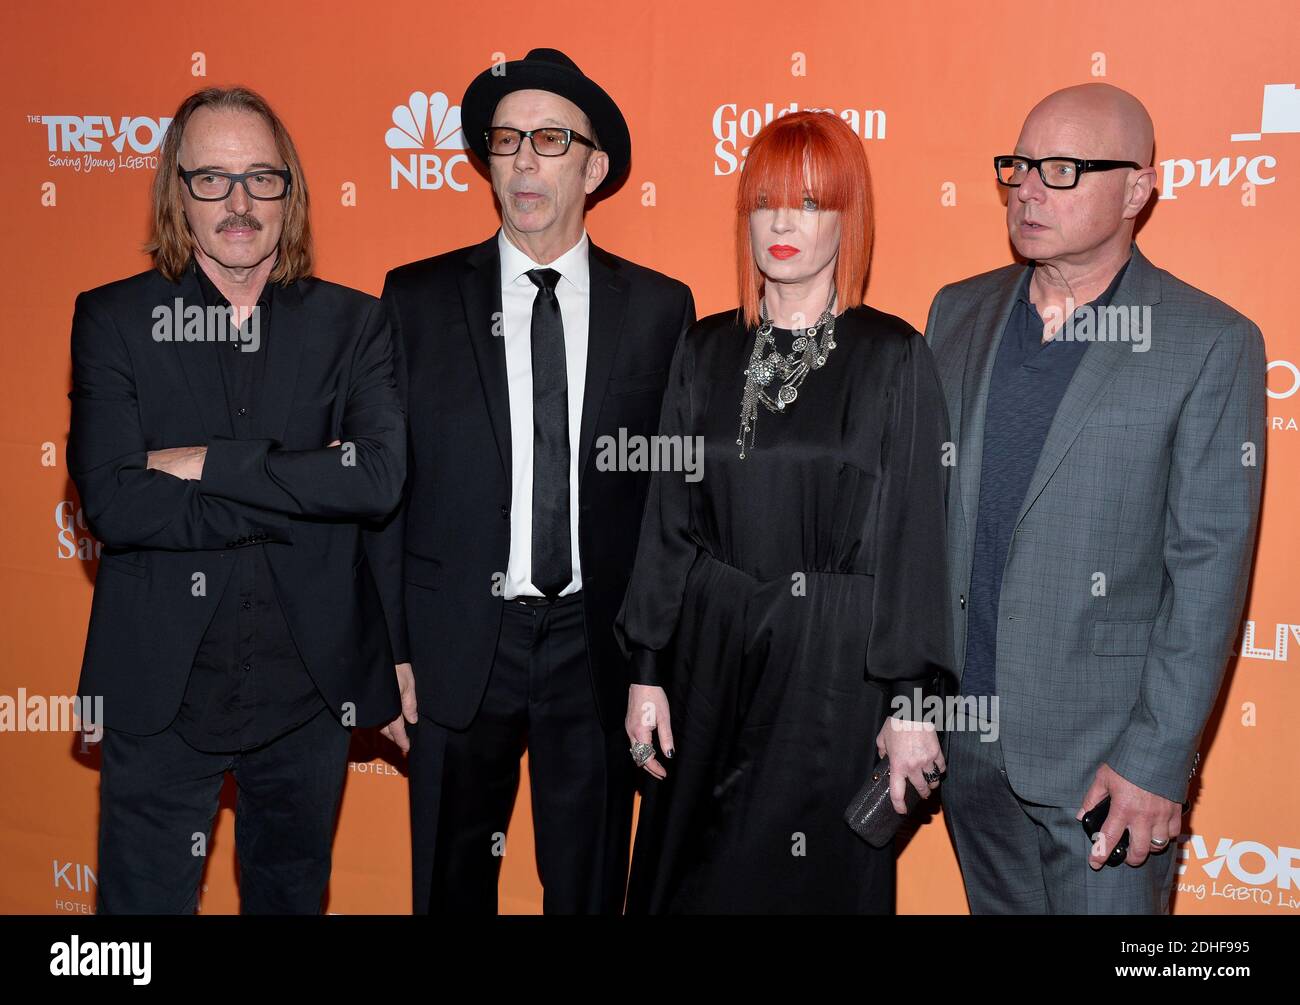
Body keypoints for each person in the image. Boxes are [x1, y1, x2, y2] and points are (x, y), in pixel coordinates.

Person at [367, 48, 695, 913]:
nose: (522, 159)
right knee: (450, 885)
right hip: (454, 648)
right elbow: (384, 491)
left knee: (588, 890)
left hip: (596, 650)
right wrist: (390, 651)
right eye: (506, 139)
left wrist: (656, 659)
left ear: (594, 166)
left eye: (549, 139)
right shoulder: (417, 299)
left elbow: (672, 507)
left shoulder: (660, 310)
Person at [927, 83, 1266, 914]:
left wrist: (1157, 760)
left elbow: (1208, 570)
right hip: (966, 754)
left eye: (1065, 169)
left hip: (1105, 773)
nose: (1029, 188)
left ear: (1140, 189)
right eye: (1020, 165)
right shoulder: (958, 312)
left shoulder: (1208, 341)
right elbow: (921, 526)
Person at [68, 86, 406, 914]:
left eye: (262, 177)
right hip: (159, 691)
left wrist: (199, 462)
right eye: (213, 180)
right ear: (175, 191)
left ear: (290, 191)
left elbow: (374, 478)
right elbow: (113, 501)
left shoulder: (355, 324)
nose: (240, 202)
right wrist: (301, 483)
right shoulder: (113, 319)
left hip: (307, 690)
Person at [614, 110, 952, 913]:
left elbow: (914, 541)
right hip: (709, 653)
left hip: (831, 670)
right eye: (766, 200)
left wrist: (912, 705)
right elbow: (669, 520)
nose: (784, 222)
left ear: (850, 217)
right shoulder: (703, 348)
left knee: (806, 883)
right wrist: (647, 671)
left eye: (811, 201)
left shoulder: (893, 355)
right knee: (691, 877)